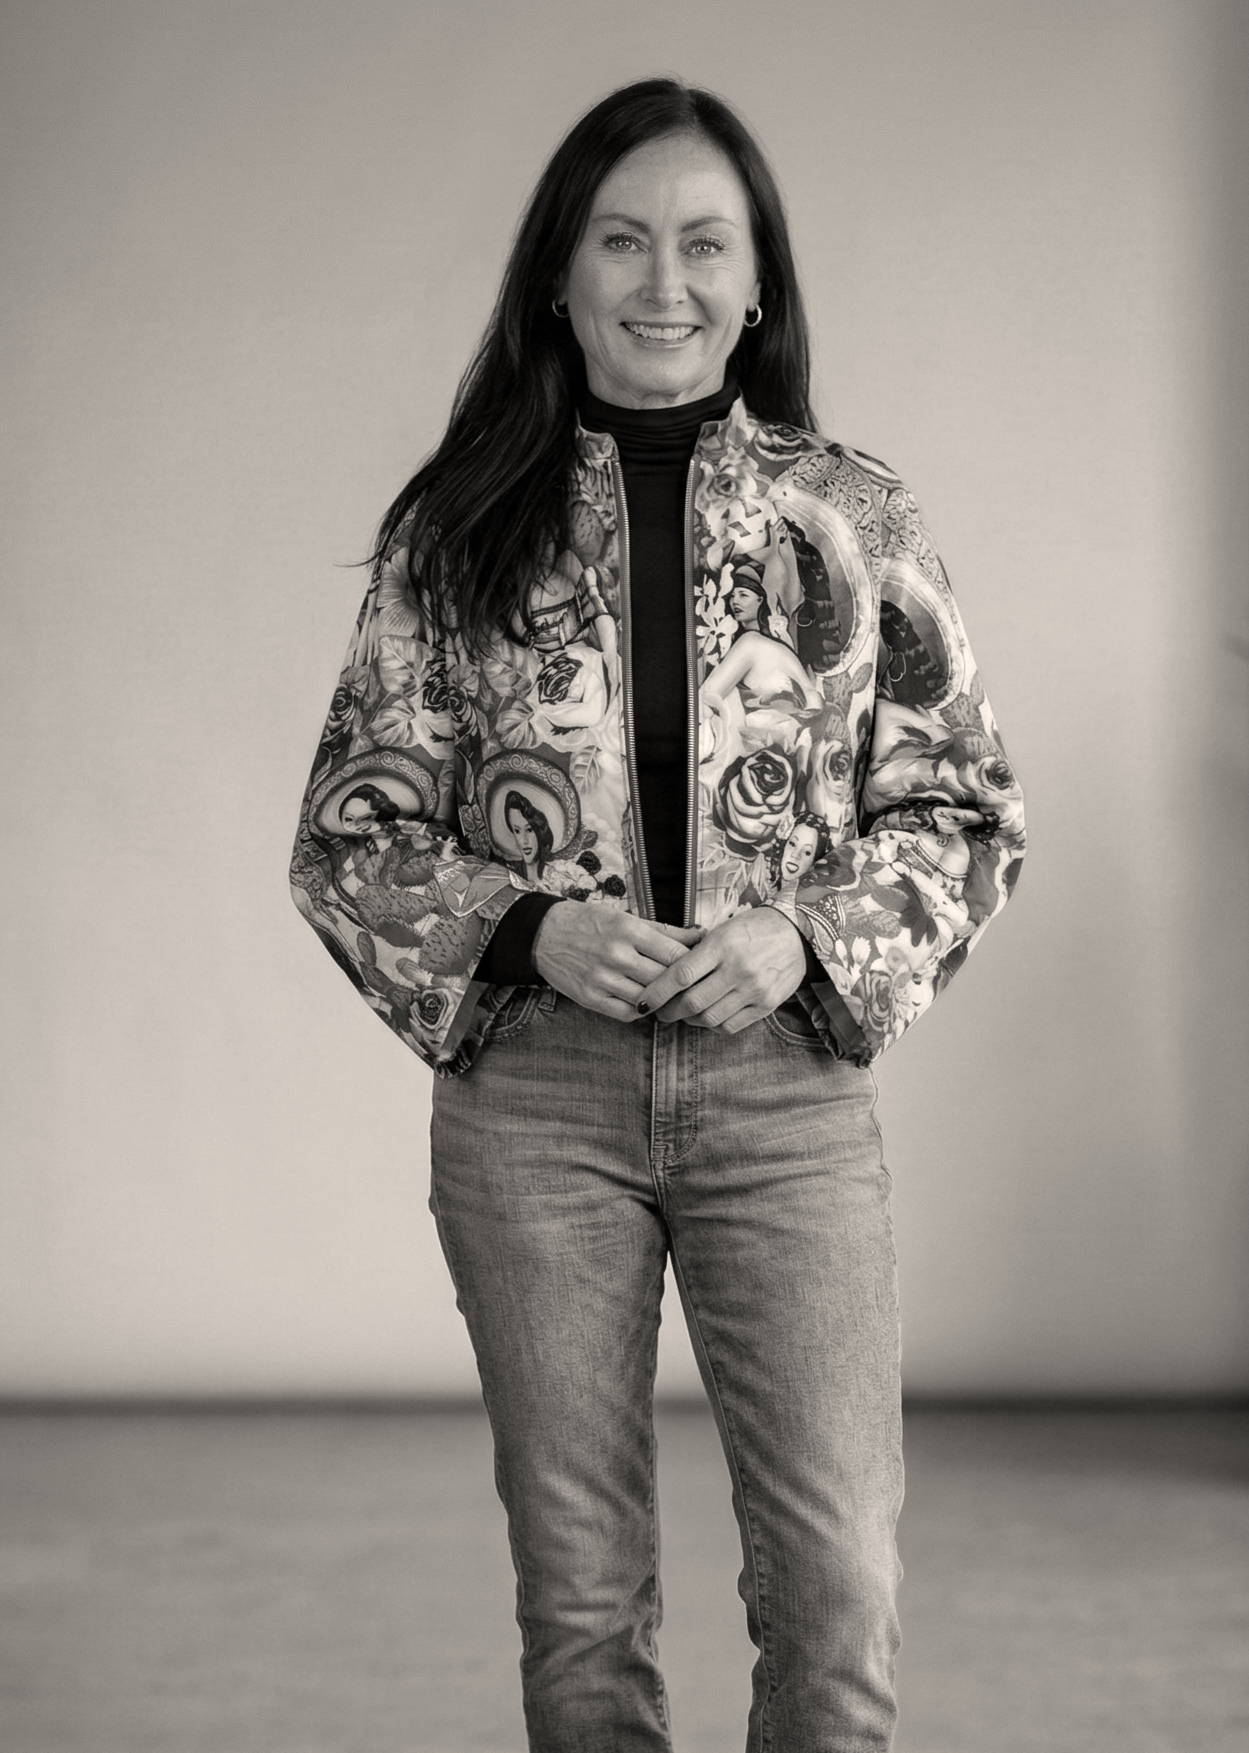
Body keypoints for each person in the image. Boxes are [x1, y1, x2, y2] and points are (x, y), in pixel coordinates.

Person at [291, 76, 1025, 1753]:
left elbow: (966, 812)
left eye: (705, 243)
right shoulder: (458, 527)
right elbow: (351, 832)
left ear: (759, 281)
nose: (663, 282)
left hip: (789, 1101)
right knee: (582, 1612)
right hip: (534, 1109)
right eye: (622, 240)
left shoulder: (860, 518)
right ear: (560, 271)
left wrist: (805, 941)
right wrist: (528, 926)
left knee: (839, 1599)